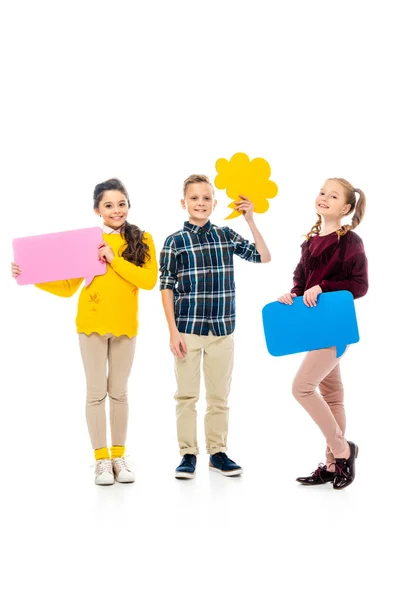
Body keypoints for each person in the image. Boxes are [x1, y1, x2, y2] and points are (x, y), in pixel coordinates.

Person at [11, 178, 158, 485]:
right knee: (95, 394)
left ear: (128, 205)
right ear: (97, 210)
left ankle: (119, 456)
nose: (116, 210)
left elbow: (147, 281)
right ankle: (101, 460)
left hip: (126, 327)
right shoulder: (87, 241)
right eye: (108, 205)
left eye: (121, 203)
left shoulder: (142, 239)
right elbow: (66, 287)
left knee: (119, 393)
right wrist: (30, 276)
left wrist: (114, 259)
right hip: (90, 325)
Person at [159, 174, 271, 479]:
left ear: (215, 203)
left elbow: (263, 256)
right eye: (194, 198)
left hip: (222, 330)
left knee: (219, 396)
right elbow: (166, 287)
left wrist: (250, 220)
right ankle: (187, 454)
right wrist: (172, 331)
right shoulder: (174, 242)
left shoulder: (225, 235)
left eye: (206, 198)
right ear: (184, 203)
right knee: (186, 396)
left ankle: (217, 452)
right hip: (188, 329)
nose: (200, 203)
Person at [278, 177, 368, 490]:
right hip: (313, 329)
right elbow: (301, 282)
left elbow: (360, 285)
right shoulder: (310, 243)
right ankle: (332, 465)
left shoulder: (350, 242)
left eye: (333, 196)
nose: (324, 198)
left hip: (334, 328)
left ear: (345, 208)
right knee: (331, 395)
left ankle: (343, 450)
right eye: (321, 192)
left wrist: (324, 287)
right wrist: (292, 294)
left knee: (301, 387)